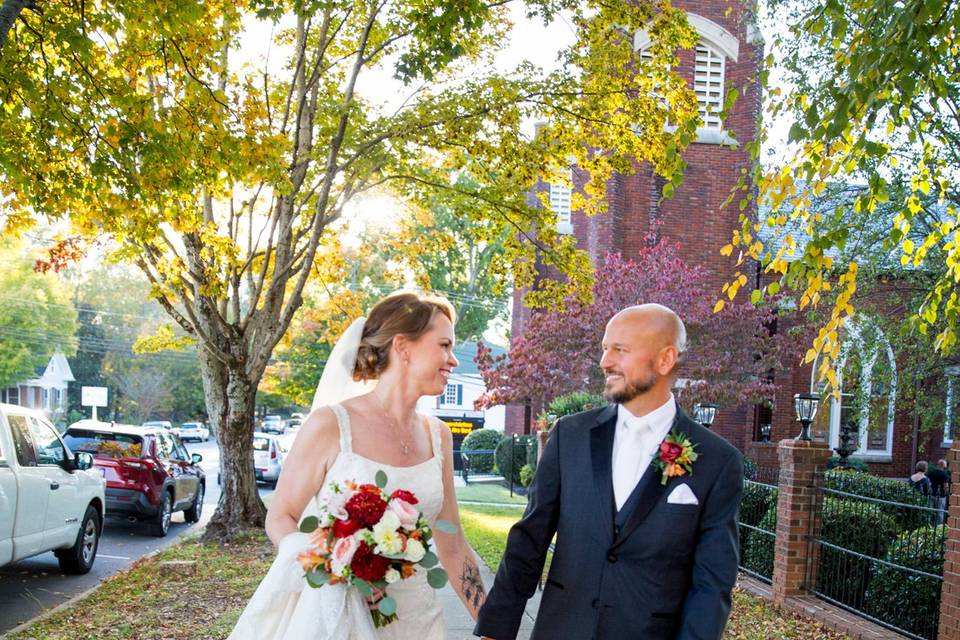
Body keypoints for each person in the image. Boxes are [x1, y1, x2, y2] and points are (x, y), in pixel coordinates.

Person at [475, 304, 744, 640]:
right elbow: (530, 539)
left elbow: (712, 583)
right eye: (605, 349)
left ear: (665, 359)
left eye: (620, 349)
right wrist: (496, 629)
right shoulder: (569, 436)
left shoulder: (717, 461)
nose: (605, 362)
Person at [230, 292, 486, 640]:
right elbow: (281, 516)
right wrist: (331, 564)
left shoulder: (438, 435)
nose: (453, 360)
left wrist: (491, 625)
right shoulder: (331, 425)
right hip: (344, 620)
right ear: (403, 347)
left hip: (419, 622)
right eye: (444, 345)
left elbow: (452, 543)